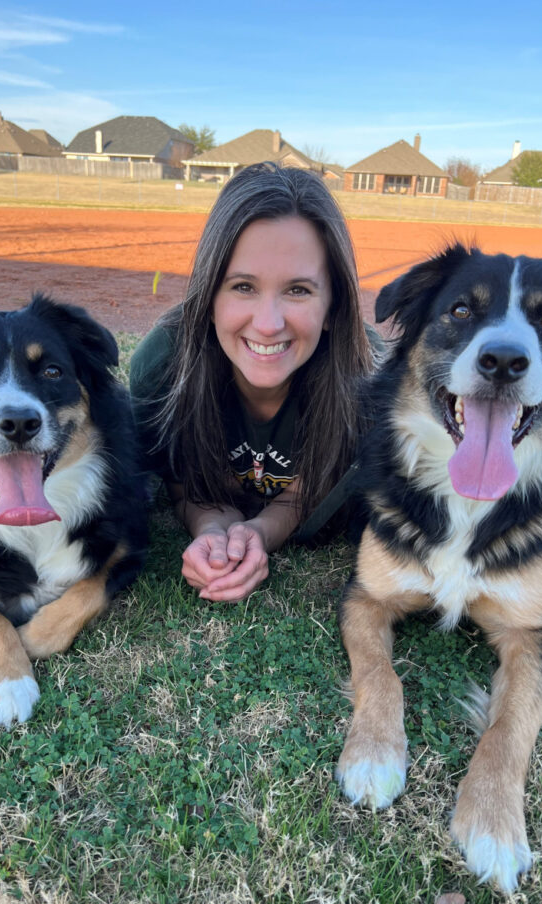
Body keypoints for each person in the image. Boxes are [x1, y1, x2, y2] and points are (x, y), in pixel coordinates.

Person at [129, 161, 379, 603]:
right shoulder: (161, 367)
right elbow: (186, 486)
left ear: (334, 306)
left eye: (298, 290)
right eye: (243, 286)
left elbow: (305, 492)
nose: (267, 324)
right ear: (208, 297)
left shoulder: (372, 384)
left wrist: (259, 533)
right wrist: (212, 530)